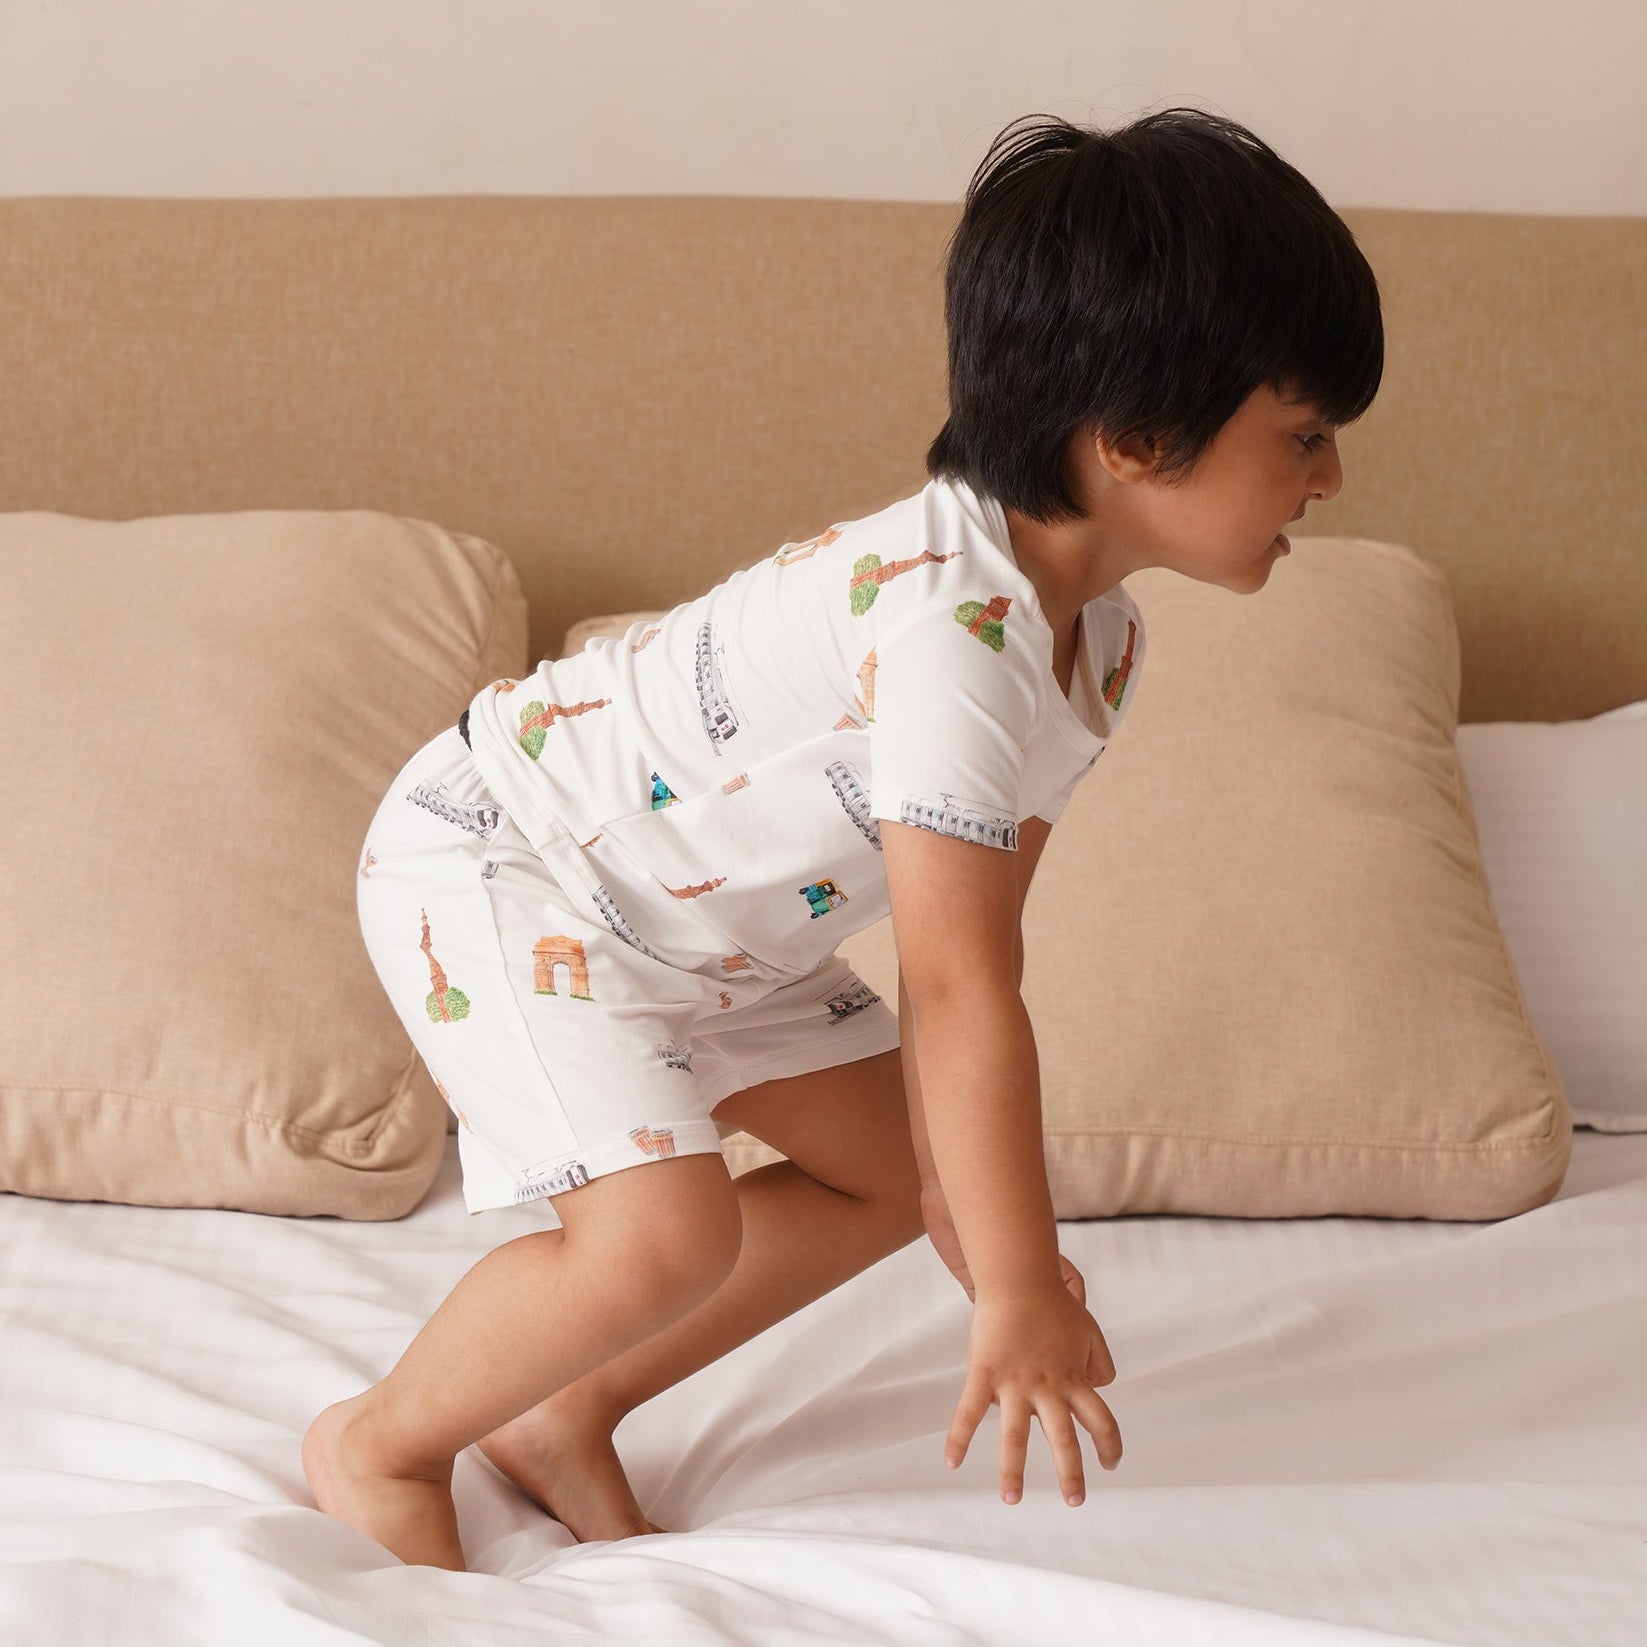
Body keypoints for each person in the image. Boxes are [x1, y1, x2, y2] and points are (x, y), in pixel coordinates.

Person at [303, 104, 1382, 1571]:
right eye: (1305, 435)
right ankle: (380, 1441)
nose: (1330, 480)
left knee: (886, 1172)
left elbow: (979, 947)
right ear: (1134, 438)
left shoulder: (1098, 642)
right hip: (514, 858)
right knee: (657, 1235)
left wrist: (968, 1205)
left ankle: (560, 1409)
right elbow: (954, 989)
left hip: (711, 931)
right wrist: (1011, 1286)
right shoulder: (954, 626)